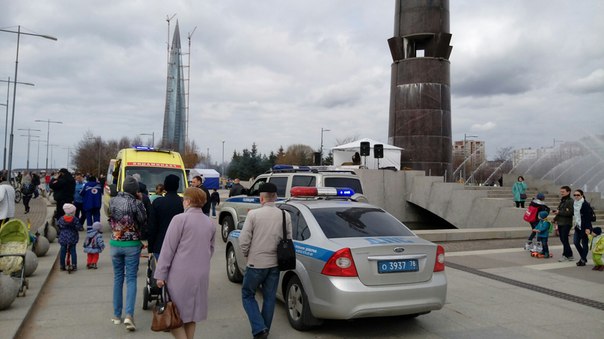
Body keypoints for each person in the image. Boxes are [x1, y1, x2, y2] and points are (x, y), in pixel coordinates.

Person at [155, 187, 215, 339]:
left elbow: (168, 248)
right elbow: (211, 249)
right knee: (192, 315)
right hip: (201, 274)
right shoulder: (210, 222)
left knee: (174, 315)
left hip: (180, 275)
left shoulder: (179, 219)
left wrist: (161, 274)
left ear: (187, 201)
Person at [239, 182, 292, 339]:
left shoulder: (253, 215)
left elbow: (243, 240)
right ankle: (264, 331)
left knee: (248, 295)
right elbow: (289, 239)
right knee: (269, 298)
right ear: (275, 197)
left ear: (261, 198)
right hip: (275, 264)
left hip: (256, 263)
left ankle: (259, 328)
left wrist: (247, 254)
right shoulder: (285, 215)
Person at [108, 175, 147, 331]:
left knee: (118, 278)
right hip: (131, 244)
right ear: (135, 190)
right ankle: (129, 315)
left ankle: (117, 316)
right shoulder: (136, 203)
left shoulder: (112, 201)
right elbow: (143, 219)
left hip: (115, 243)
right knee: (131, 279)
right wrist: (141, 202)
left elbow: (110, 217)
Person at [148, 175, 183, 258]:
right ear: (177, 186)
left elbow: (152, 226)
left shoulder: (157, 202)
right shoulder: (183, 203)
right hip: (179, 246)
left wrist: (150, 248)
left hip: (160, 245)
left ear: (165, 187)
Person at [572, 189, 593, 267]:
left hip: (585, 227)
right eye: (575, 195)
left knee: (584, 244)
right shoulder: (575, 203)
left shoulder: (585, 204)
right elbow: (575, 215)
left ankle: (583, 260)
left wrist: (587, 228)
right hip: (578, 226)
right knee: (576, 242)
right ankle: (583, 257)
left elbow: (587, 217)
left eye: (578, 195)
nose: (576, 196)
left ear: (581, 195)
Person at [553, 186, 575, 262]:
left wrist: (559, 212)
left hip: (566, 223)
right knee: (563, 239)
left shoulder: (570, 201)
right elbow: (559, 211)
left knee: (564, 239)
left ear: (568, 192)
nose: (561, 193)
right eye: (561, 191)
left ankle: (565, 255)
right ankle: (569, 255)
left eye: (563, 191)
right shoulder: (563, 200)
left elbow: (571, 213)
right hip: (560, 222)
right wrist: (554, 219)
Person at [58, 203, 81, 271]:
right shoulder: (74, 219)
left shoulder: (62, 219)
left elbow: (58, 225)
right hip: (72, 236)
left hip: (63, 236)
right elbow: (78, 227)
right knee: (73, 251)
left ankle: (62, 265)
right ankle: (74, 265)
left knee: (63, 251)